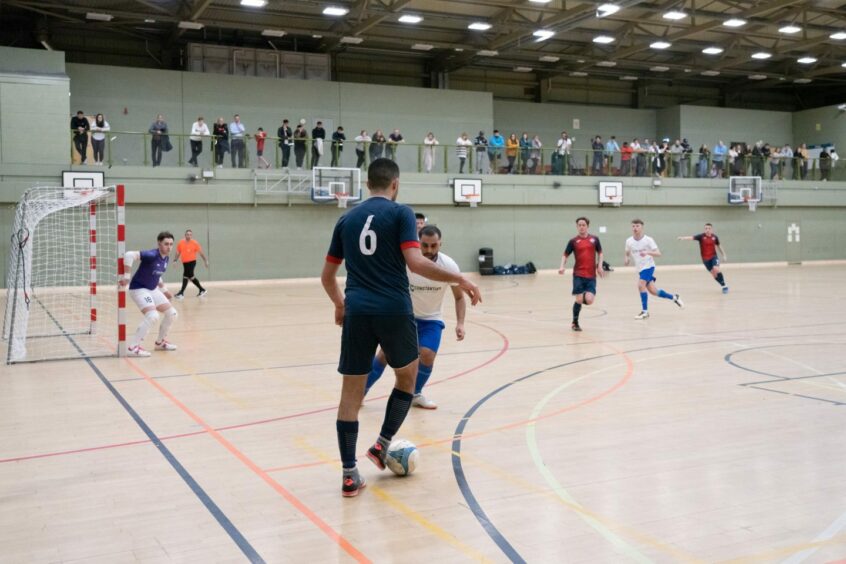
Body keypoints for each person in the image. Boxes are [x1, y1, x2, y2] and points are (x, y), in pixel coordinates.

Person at [320, 158, 481, 497]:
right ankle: (381, 444)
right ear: (395, 184)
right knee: (407, 378)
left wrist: (340, 304)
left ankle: (349, 475)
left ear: (367, 184)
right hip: (394, 309)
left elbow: (327, 276)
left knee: (350, 393)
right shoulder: (401, 213)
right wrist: (459, 278)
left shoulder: (346, 218)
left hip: (358, 311)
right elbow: (416, 262)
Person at [364, 224, 466, 409]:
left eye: (434, 245)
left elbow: (459, 297)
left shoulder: (449, 266)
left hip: (431, 320)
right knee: (385, 356)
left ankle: (415, 393)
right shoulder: (405, 264)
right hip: (404, 317)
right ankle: (360, 392)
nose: (429, 250)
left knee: (427, 355)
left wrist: (460, 323)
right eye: (424, 245)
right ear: (418, 243)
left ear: (440, 244)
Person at [120, 231, 179, 357]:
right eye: (166, 244)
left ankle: (159, 342)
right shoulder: (152, 254)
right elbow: (129, 255)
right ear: (159, 243)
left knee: (172, 314)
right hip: (139, 289)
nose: (169, 247)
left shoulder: (166, 258)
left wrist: (165, 291)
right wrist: (126, 277)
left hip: (153, 289)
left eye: (171, 244)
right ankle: (133, 347)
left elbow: (157, 275)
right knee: (153, 316)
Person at [624, 219, 684, 320]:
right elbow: (626, 252)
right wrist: (627, 258)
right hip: (640, 268)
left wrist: (647, 252)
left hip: (648, 266)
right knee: (653, 291)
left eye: (637, 226)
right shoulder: (629, 241)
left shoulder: (648, 240)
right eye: (633, 226)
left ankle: (645, 312)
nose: (635, 228)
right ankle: (674, 297)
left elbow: (658, 253)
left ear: (642, 227)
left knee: (640, 285)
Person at [558, 217, 604, 331]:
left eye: (583, 225)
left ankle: (580, 297)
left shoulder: (595, 239)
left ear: (587, 226)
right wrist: (562, 266)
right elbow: (565, 255)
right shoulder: (573, 241)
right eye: (579, 225)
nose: (581, 227)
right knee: (579, 299)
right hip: (578, 274)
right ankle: (575, 322)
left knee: (589, 300)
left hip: (591, 275)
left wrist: (599, 266)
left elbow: (600, 253)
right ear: (577, 226)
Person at [678, 223, 728, 294]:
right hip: (705, 259)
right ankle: (723, 284)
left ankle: (724, 286)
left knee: (716, 269)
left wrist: (724, 255)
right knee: (714, 275)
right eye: (706, 228)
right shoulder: (701, 236)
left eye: (709, 228)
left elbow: (719, 246)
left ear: (711, 229)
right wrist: (683, 238)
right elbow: (691, 237)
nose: (707, 230)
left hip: (714, 257)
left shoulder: (715, 237)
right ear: (704, 229)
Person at [174, 229, 209, 299]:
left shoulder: (195, 243)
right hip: (185, 262)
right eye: (187, 234)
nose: (189, 236)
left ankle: (182, 293)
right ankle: (201, 290)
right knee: (188, 276)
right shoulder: (181, 242)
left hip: (192, 262)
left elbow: (201, 253)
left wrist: (205, 261)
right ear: (185, 235)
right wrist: (175, 260)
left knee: (188, 276)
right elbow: (178, 252)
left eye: (190, 235)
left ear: (191, 235)